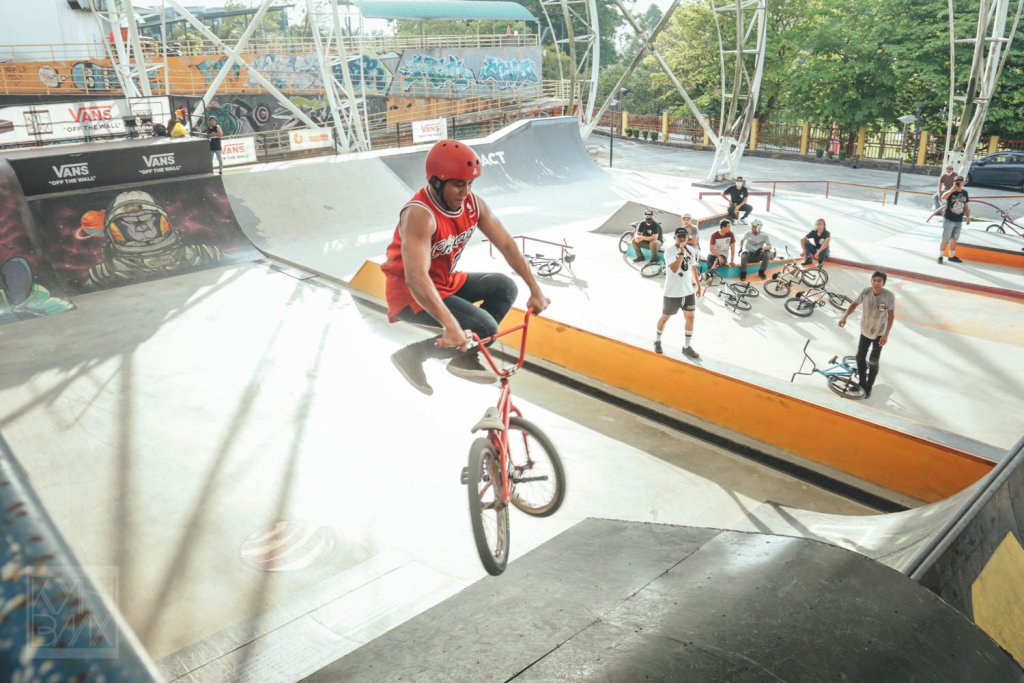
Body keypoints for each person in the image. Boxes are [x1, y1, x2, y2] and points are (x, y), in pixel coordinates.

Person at [382, 139, 549, 395]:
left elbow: (506, 244)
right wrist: (450, 324)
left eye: (470, 184)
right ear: (435, 182)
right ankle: (413, 355)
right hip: (410, 294)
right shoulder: (420, 214)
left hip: (443, 283)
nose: (465, 192)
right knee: (485, 328)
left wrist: (535, 289)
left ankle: (465, 357)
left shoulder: (473, 204)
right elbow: (415, 278)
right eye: (458, 185)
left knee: (504, 287)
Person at [838, 271, 896, 399]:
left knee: (873, 360)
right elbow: (854, 304)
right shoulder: (866, 292)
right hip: (865, 330)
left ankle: (869, 386)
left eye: (879, 281)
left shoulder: (889, 296)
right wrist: (844, 317)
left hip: (879, 333)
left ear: (884, 283)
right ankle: (862, 383)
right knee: (860, 357)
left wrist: (886, 335)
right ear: (871, 281)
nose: (876, 283)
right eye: (874, 280)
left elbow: (891, 316)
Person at [654, 227, 703, 360]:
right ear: (674, 238)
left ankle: (686, 347)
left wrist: (698, 286)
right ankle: (657, 340)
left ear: (687, 238)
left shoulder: (691, 250)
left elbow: (693, 268)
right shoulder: (669, 251)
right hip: (672, 292)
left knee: (690, 318)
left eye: (684, 236)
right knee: (665, 318)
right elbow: (675, 269)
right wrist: (681, 252)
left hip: (688, 292)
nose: (682, 238)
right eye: (679, 236)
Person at [938, 175, 969, 264]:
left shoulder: (965, 193)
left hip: (959, 220)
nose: (958, 183)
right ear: (954, 182)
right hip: (949, 219)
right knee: (945, 239)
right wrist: (951, 190)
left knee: (954, 239)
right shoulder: (950, 191)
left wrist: (967, 217)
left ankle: (951, 256)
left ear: (963, 183)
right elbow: (943, 197)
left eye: (960, 181)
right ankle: (940, 256)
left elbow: (966, 206)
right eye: (956, 181)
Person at [702, 218, 735, 282]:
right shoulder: (714, 235)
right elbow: (711, 249)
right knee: (710, 259)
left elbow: (732, 248)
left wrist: (732, 261)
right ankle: (710, 275)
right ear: (723, 227)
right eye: (728, 227)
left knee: (716, 261)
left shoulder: (731, 234)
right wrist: (718, 256)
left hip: (723, 254)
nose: (730, 228)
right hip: (713, 253)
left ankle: (707, 275)